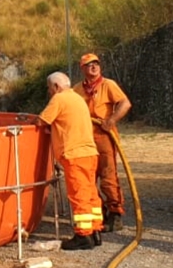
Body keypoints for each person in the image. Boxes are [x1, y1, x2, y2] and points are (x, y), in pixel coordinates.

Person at [36, 71, 104, 251]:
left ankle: (83, 236)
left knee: (79, 194)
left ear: (56, 87)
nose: (49, 92)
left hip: (75, 154)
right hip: (89, 153)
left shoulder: (59, 99)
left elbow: (41, 121)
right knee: (91, 193)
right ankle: (95, 230)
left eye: (49, 89)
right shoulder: (77, 98)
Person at [77, 52, 132, 232]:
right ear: (82, 68)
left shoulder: (108, 85)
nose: (93, 66)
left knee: (108, 177)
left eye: (96, 64)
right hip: (85, 138)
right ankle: (98, 213)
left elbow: (125, 103)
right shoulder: (77, 90)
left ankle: (115, 214)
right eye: (89, 64)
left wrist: (112, 120)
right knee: (88, 178)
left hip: (104, 136)